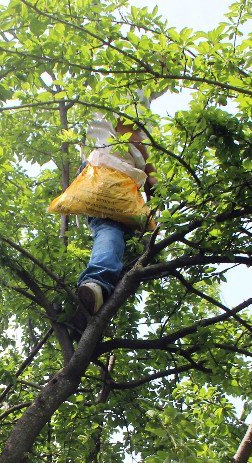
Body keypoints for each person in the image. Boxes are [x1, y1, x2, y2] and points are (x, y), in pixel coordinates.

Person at [72, 118, 158, 330]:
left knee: (104, 228)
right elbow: (127, 131)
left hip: (94, 168)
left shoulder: (95, 102)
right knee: (111, 228)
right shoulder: (132, 89)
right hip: (114, 169)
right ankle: (97, 282)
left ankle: (90, 305)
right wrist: (152, 177)